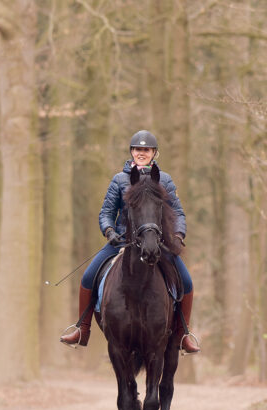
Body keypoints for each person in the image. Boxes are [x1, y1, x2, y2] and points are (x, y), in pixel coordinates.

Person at [60, 130, 200, 354]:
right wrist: (109, 231)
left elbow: (178, 214)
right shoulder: (119, 180)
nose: (141, 153)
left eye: (146, 150)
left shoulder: (165, 180)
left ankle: (183, 334)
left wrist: (177, 235)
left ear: (154, 153)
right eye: (137, 149)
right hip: (121, 242)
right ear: (131, 152)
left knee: (187, 281)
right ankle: (82, 329)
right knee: (88, 276)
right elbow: (106, 212)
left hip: (158, 244)